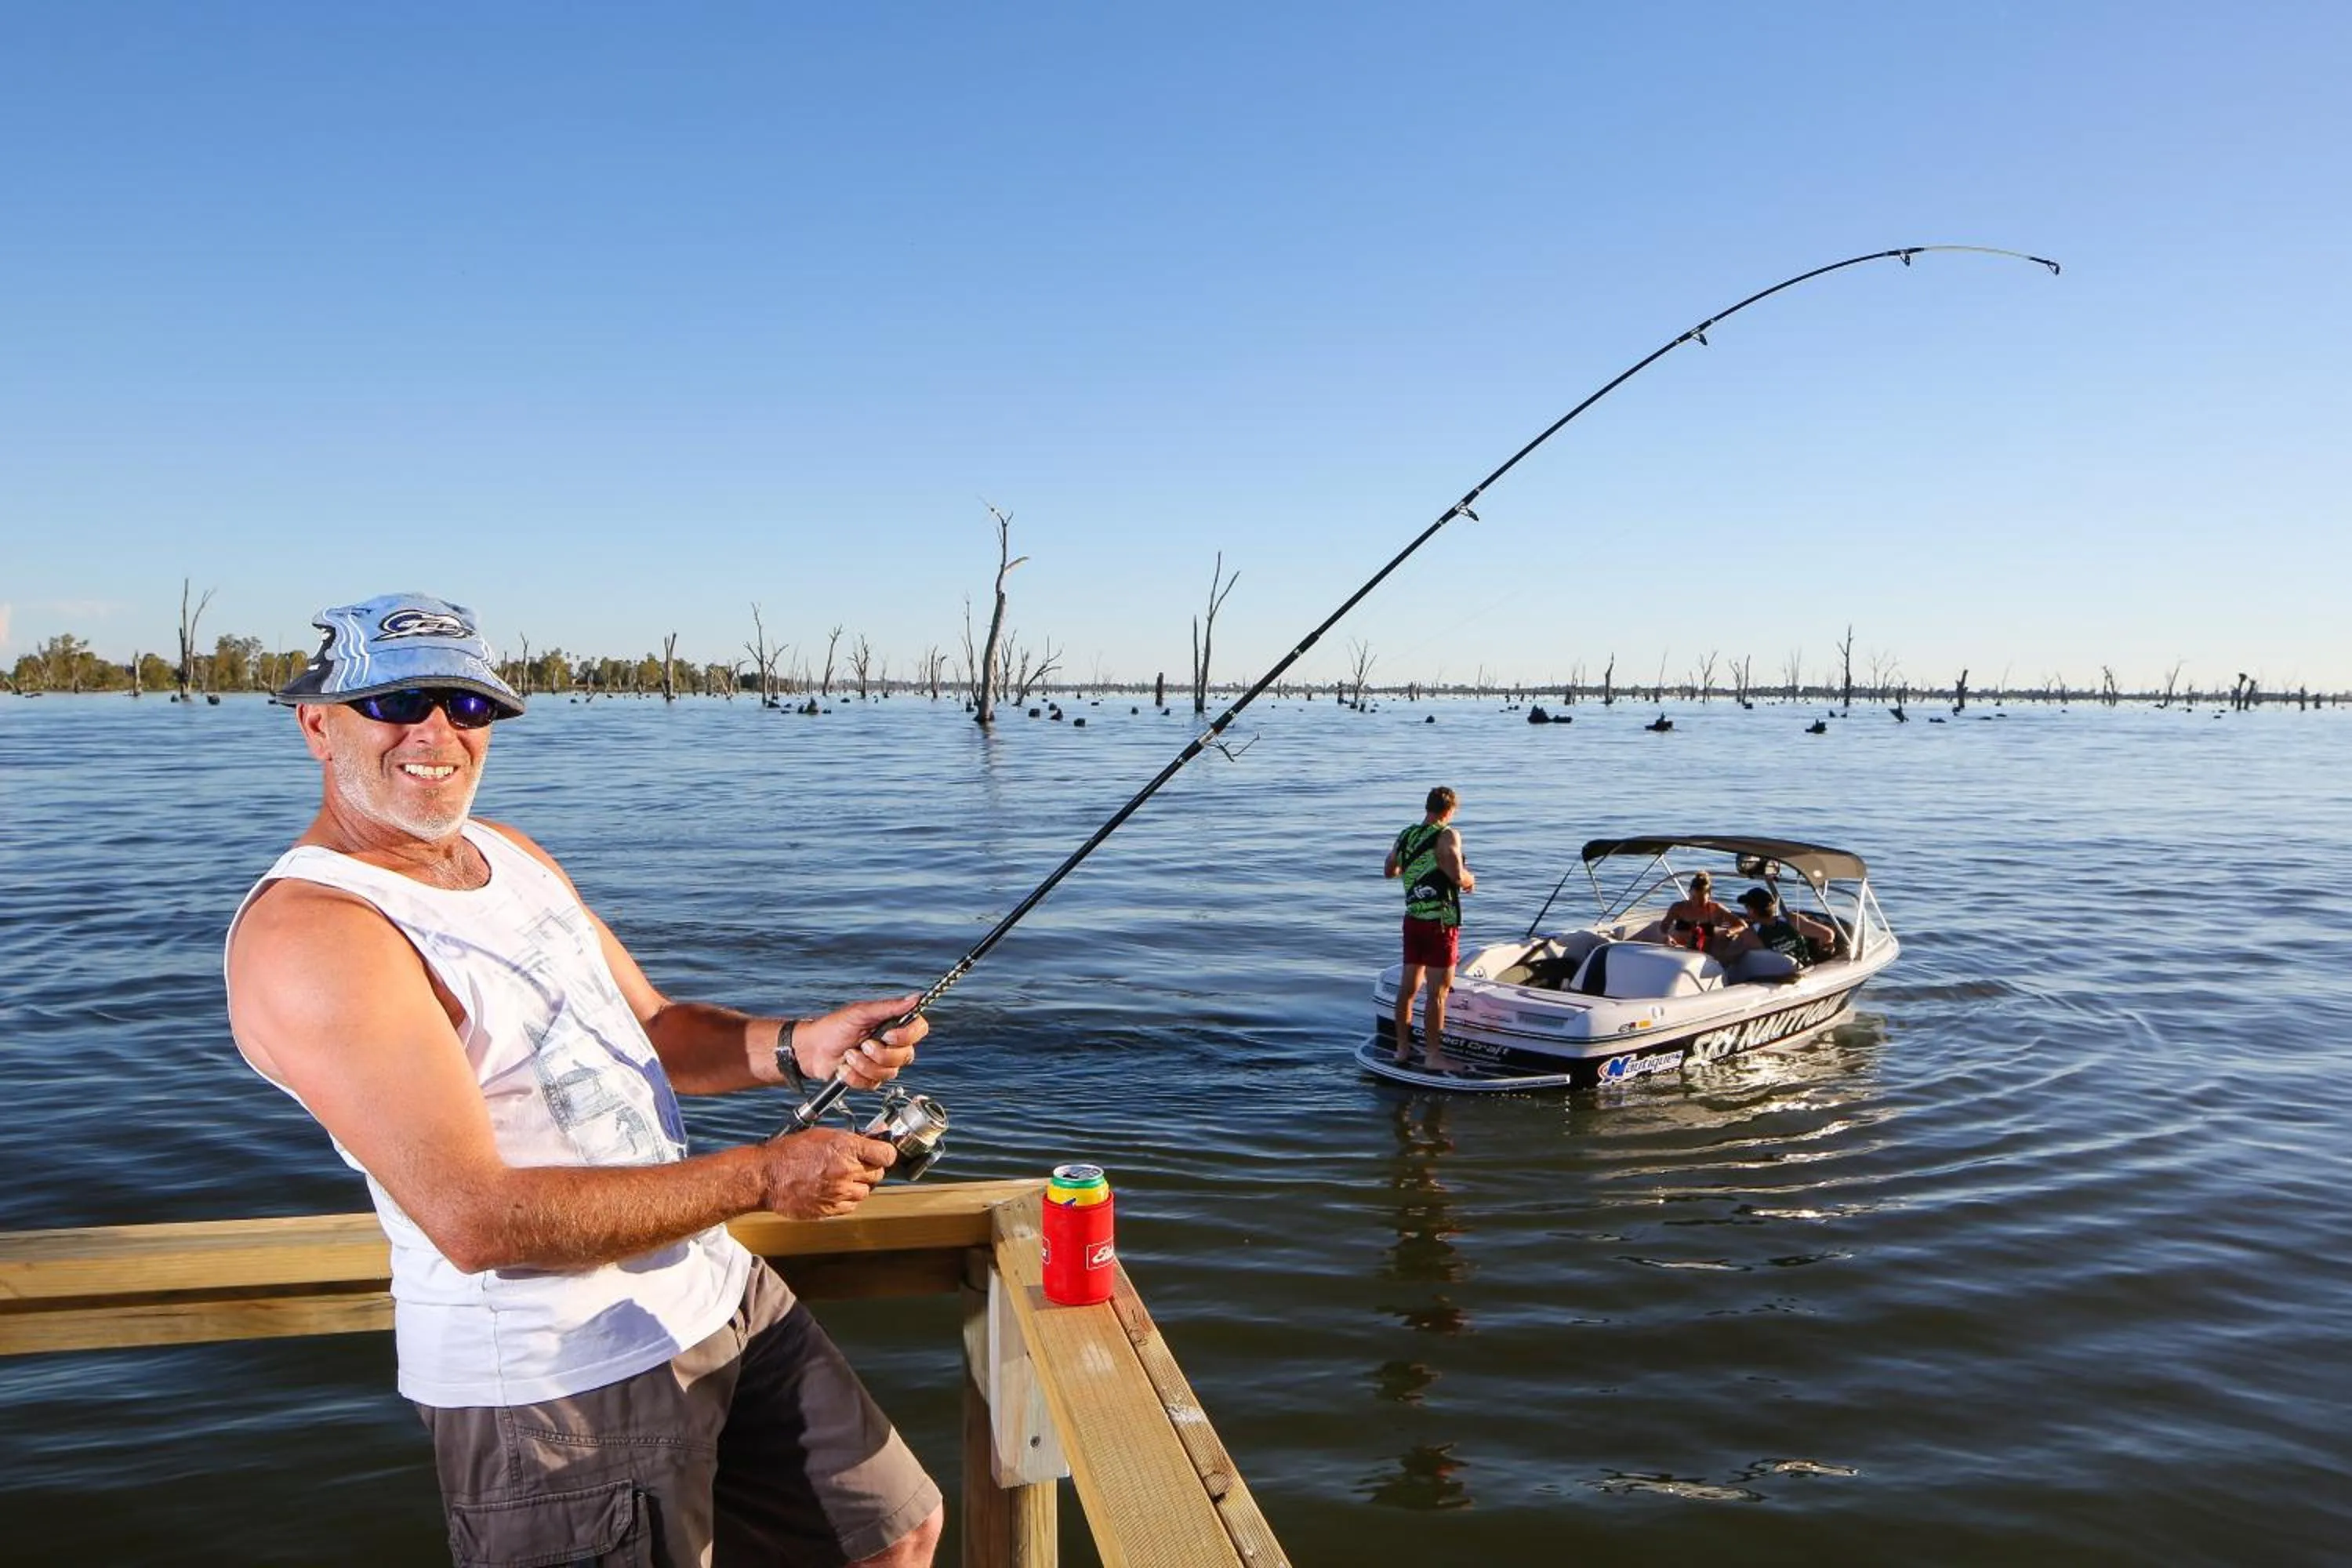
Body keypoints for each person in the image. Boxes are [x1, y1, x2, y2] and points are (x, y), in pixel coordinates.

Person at [223, 593, 942, 1568]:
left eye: (466, 706)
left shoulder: (508, 854)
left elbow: (646, 1025)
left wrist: (800, 1044)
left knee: (892, 1532)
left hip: (713, 1292)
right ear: (318, 723)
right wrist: (766, 1178)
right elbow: (473, 1216)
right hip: (553, 1383)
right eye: (398, 701)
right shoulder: (317, 932)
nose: (437, 733)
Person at [1383, 786, 1475, 1069]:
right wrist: (1471, 880)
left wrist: (1415, 872)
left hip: (1413, 920)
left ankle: (1401, 1049)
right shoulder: (1448, 834)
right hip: (1440, 922)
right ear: (1449, 811)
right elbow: (1457, 875)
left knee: (1407, 988)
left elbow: (1390, 870)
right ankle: (1433, 1056)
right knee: (1437, 993)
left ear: (1428, 807)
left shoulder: (1406, 834)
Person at [1731, 885, 1840, 965]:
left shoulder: (1750, 934)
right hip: (1805, 968)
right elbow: (1828, 934)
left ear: (1751, 911)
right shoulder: (1791, 920)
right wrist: (1822, 951)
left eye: (1746, 907)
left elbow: (1727, 957)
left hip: (1772, 978)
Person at [1661, 869, 1744, 953]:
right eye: (1694, 898)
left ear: (1709, 895)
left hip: (1704, 955)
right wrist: (1666, 937)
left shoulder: (1716, 909)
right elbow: (1664, 926)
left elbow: (1742, 925)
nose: (1697, 903)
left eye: (1702, 900)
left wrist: (1729, 931)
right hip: (1678, 951)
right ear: (1689, 892)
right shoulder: (1678, 908)